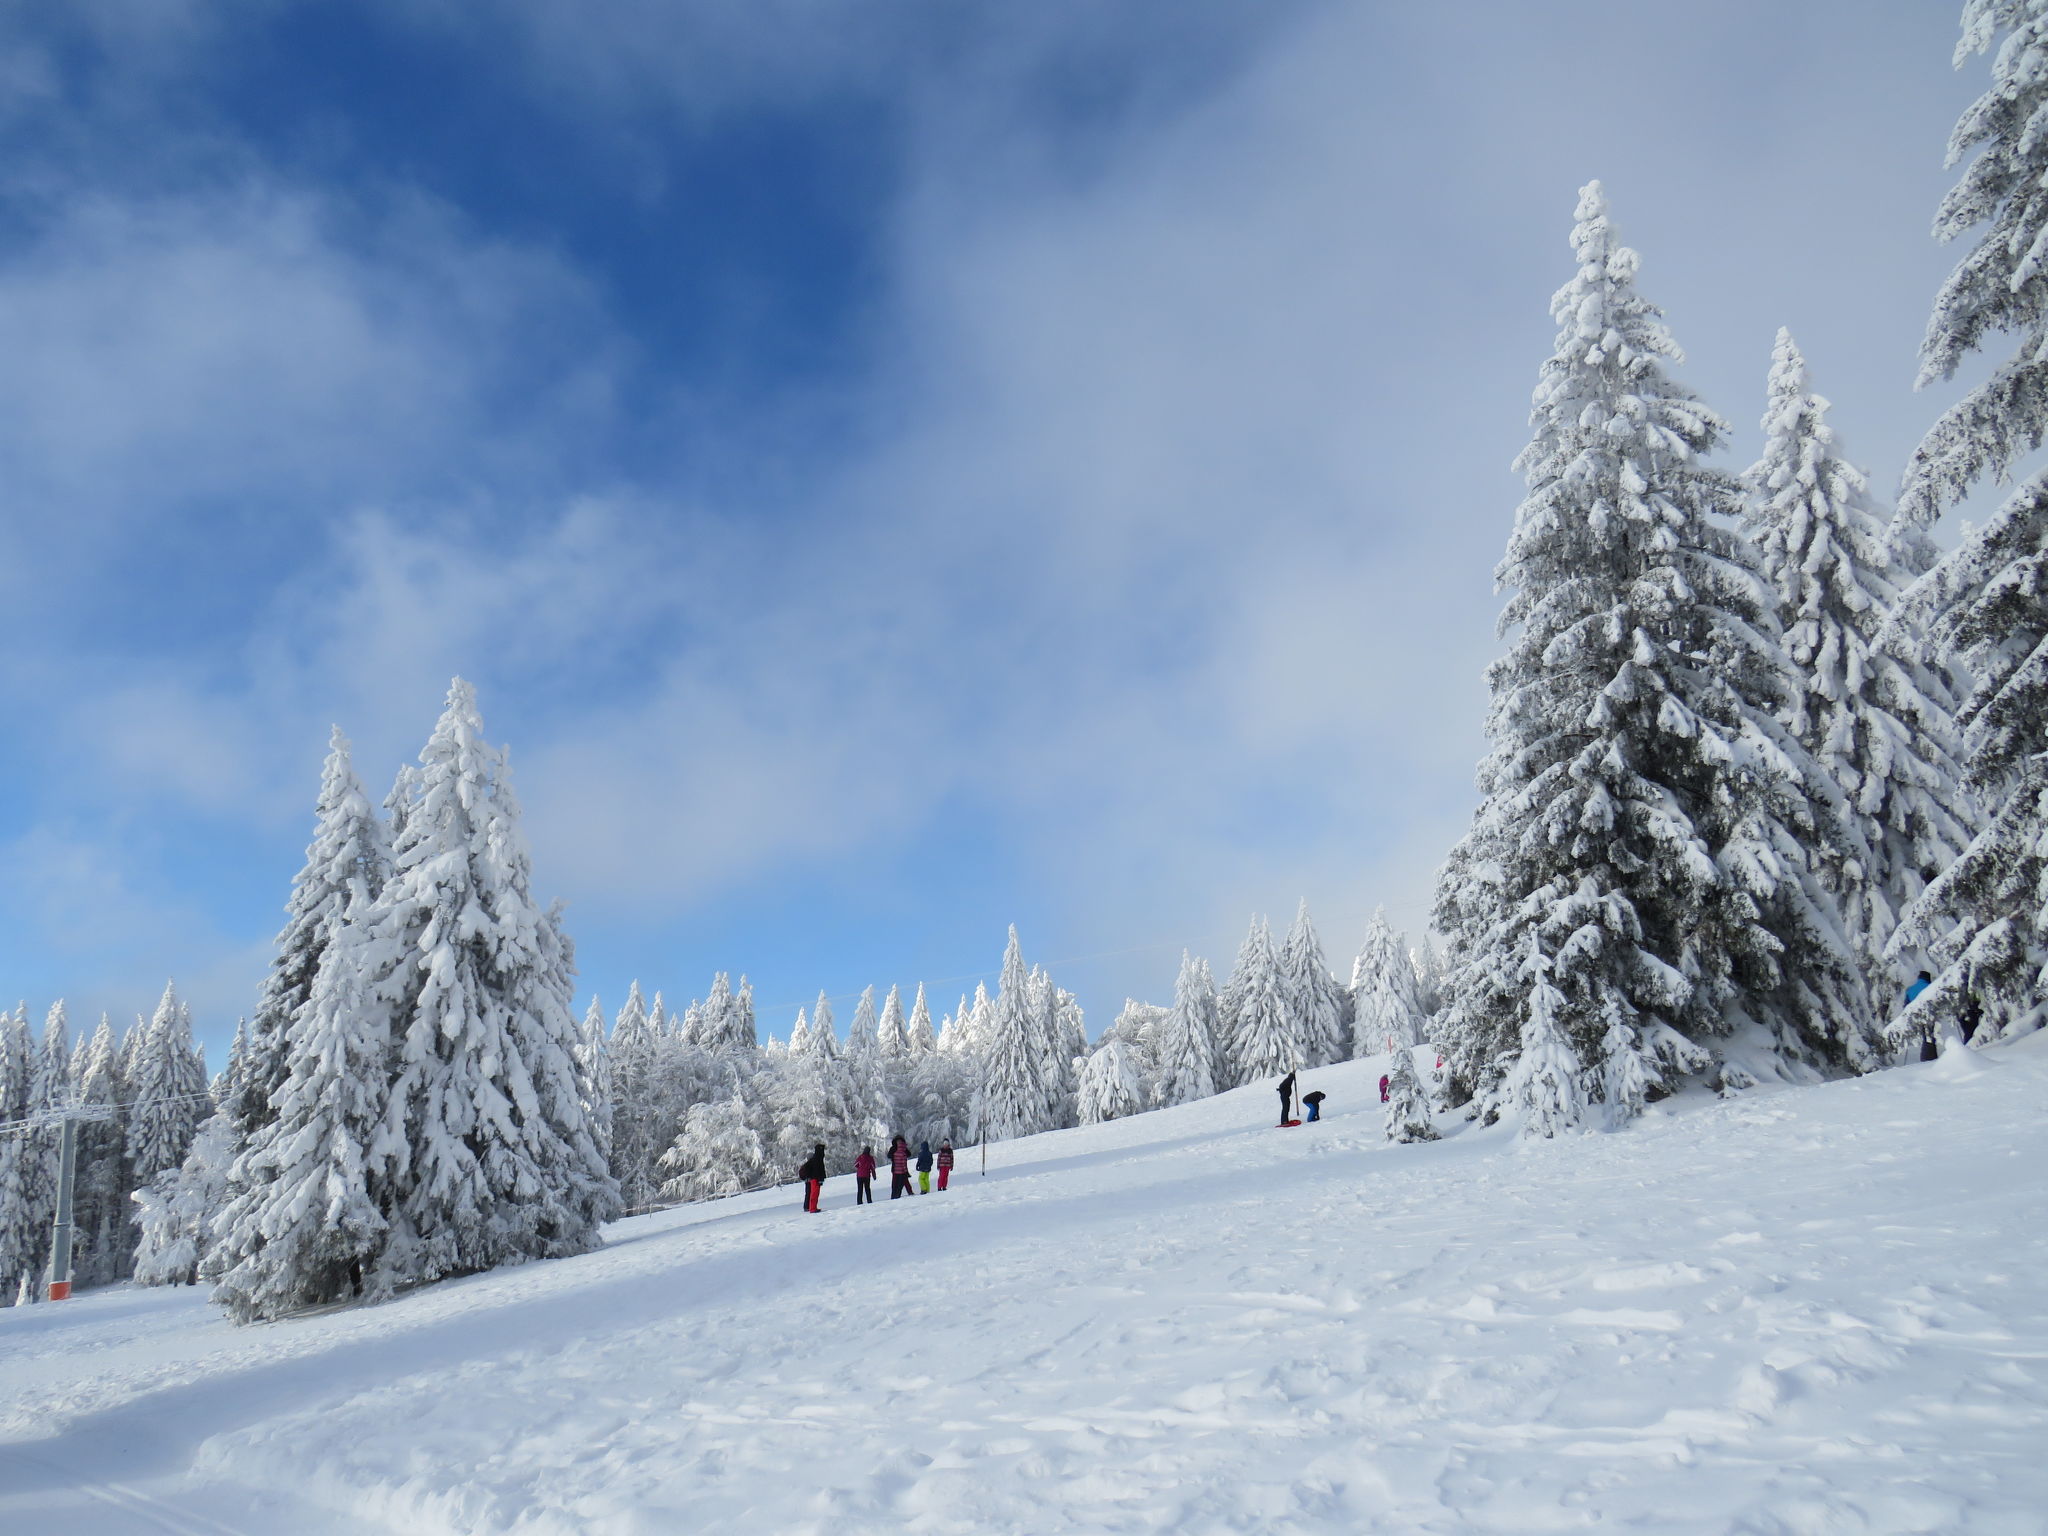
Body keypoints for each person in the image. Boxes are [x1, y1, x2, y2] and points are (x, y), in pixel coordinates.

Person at [798, 1143, 827, 1214]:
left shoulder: (812, 1161)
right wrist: (820, 1178)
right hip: (815, 1179)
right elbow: (818, 1170)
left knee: (811, 1194)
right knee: (813, 1194)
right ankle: (812, 1208)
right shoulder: (816, 1160)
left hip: (813, 1179)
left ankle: (811, 1207)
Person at [888, 1135, 913, 1199]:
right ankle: (909, 1193)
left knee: (894, 1184)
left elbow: (889, 1155)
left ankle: (894, 1197)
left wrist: (894, 1157)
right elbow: (909, 1154)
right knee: (903, 1183)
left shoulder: (894, 1148)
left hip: (895, 1169)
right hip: (903, 1169)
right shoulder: (904, 1148)